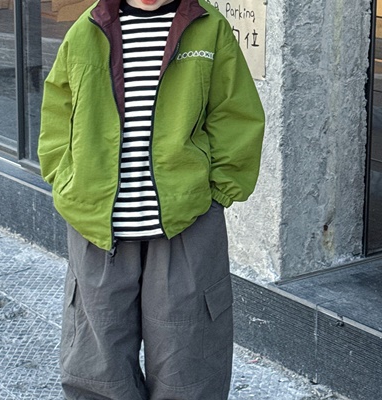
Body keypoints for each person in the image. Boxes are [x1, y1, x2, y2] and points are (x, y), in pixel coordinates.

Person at [38, 0, 265, 398]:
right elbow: (58, 110)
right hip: (97, 224)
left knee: (189, 353)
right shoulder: (88, 27)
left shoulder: (208, 27)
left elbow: (235, 113)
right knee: (97, 358)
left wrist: (216, 192)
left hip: (187, 222)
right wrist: (67, 180)